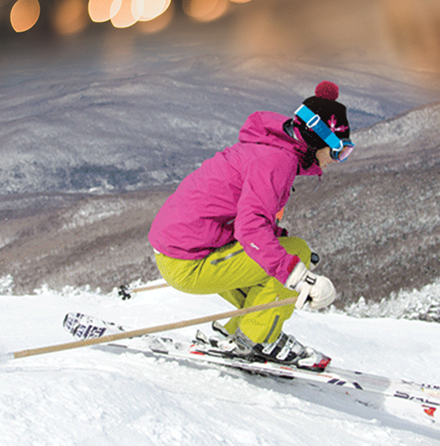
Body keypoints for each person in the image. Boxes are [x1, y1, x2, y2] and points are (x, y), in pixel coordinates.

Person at [148, 81, 354, 371]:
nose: (338, 160)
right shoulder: (276, 161)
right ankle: (257, 340)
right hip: (188, 261)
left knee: (283, 260)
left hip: (182, 249)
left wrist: (282, 256)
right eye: (339, 151)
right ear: (319, 140)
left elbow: (249, 217)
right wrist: (299, 275)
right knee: (296, 254)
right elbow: (250, 227)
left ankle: (234, 332)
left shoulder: (269, 149)